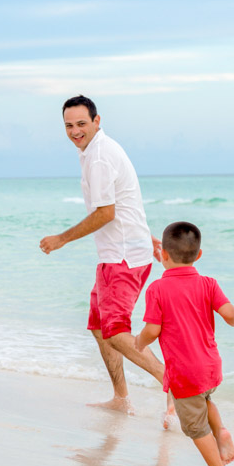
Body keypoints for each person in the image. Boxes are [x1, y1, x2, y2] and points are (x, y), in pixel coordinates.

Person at [39, 95, 173, 421]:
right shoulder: (96, 150)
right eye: (69, 126)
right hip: (121, 252)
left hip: (123, 259)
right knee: (100, 327)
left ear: (97, 121)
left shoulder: (99, 156)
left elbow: (107, 213)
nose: (75, 131)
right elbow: (128, 199)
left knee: (114, 330)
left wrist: (62, 239)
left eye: (81, 124)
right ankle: (120, 397)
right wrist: (146, 235)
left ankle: (170, 380)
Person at [135, 221, 234, 466]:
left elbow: (152, 329)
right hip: (210, 365)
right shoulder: (208, 284)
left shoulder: (157, 289)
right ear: (199, 254)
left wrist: (139, 342)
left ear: (162, 255)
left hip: (185, 372)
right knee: (204, 400)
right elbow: (230, 315)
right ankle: (221, 431)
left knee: (194, 427)